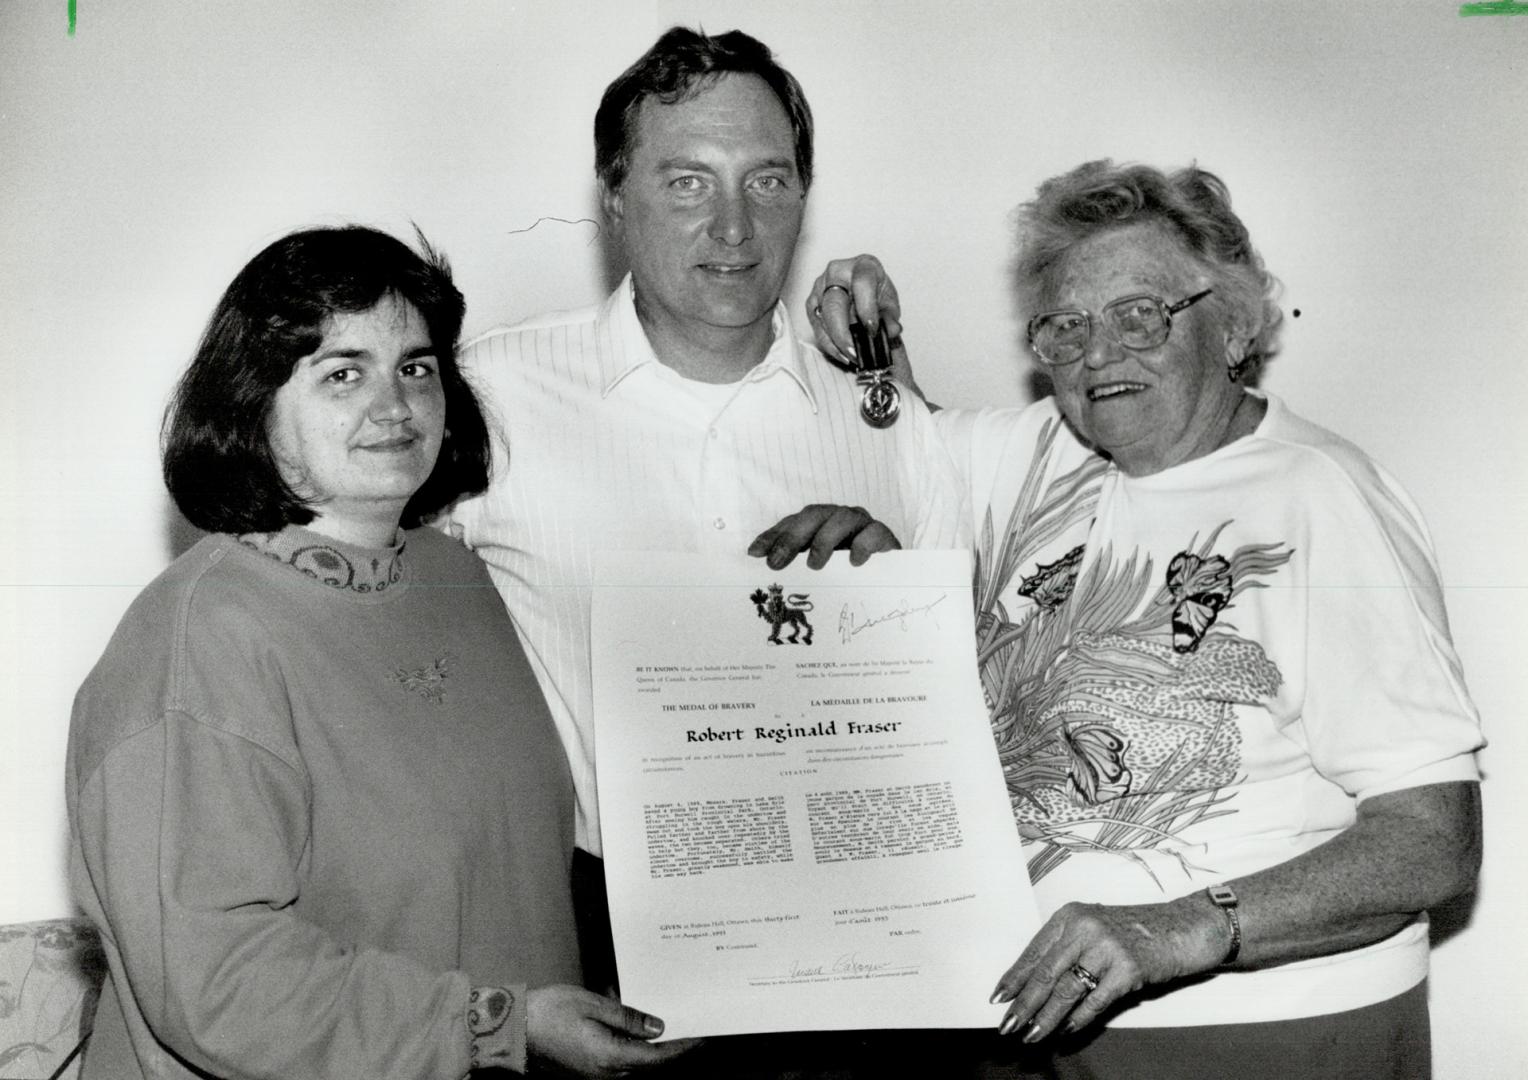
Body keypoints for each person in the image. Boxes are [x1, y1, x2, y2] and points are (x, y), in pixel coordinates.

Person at [806, 161, 1484, 1079]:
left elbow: (1431, 841)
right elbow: (910, 433)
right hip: (1045, 1031)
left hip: (1269, 1037)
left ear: (1236, 324)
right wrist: (867, 335)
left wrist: (1187, 928)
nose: (1096, 355)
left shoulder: (1318, 495)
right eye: (1066, 327)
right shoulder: (1042, 448)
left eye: (1140, 316)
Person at [65, 226, 693, 1079]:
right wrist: (501, 1024)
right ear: (253, 401)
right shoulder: (199, 639)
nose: (393, 405)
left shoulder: (455, 577)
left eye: (416, 367)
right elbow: (221, 985)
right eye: (341, 373)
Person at [438, 26, 967, 1007]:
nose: (732, 226)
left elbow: (969, 693)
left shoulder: (889, 418)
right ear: (612, 202)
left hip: (867, 940)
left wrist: (891, 597)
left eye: (766, 180)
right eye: (686, 181)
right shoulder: (487, 398)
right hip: (590, 942)